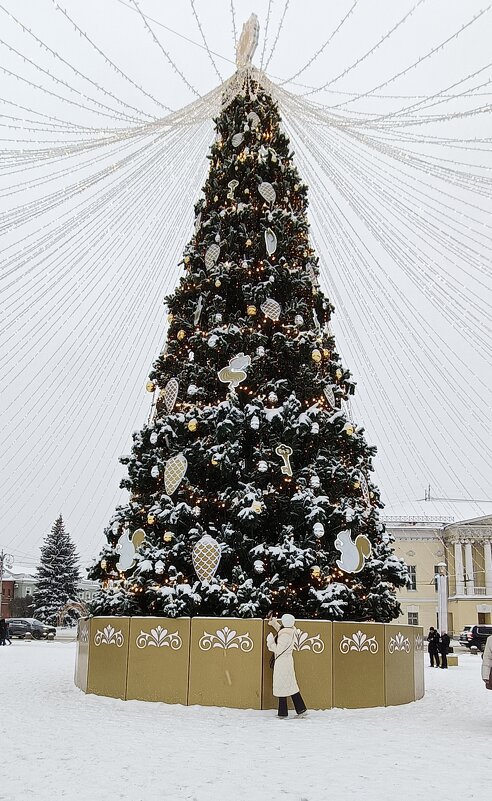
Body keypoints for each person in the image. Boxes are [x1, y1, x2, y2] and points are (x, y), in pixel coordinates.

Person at [266, 613, 307, 719]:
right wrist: (274, 623)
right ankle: (301, 708)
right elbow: (280, 629)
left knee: (282, 685)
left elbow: (278, 649)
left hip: (282, 662)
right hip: (286, 661)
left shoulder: (285, 635)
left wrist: (270, 642)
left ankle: (283, 712)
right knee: (290, 685)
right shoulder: (289, 631)